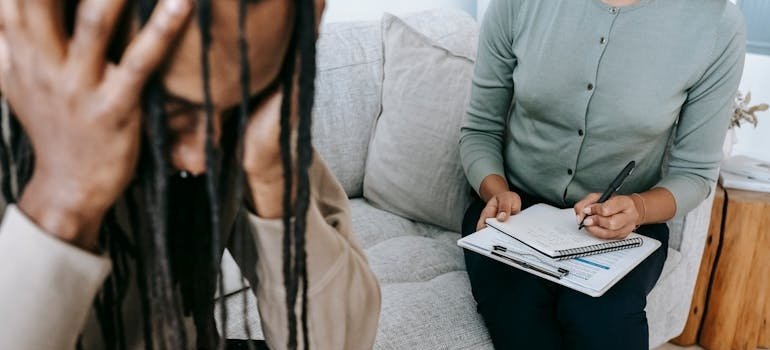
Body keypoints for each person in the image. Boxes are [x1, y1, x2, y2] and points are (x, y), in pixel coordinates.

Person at [0, 0, 381, 349]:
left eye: (237, 108)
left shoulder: (238, 125)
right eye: (172, 112)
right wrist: (62, 201)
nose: (202, 159)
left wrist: (271, 175)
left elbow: (342, 343)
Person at [460, 0, 745, 349]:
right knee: (520, 319)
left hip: (625, 225)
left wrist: (638, 209)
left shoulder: (715, 23)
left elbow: (695, 173)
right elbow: (479, 130)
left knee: (601, 320)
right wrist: (495, 191)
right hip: (513, 214)